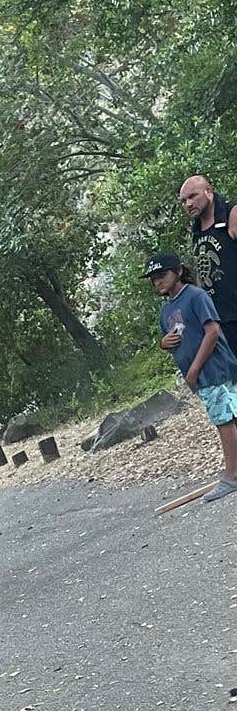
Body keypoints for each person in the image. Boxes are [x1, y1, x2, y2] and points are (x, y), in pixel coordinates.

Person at [146, 251, 237, 501]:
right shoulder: (166, 310)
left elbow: (212, 332)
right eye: (153, 278)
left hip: (213, 369)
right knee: (229, 416)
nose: (158, 281)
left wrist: (195, 369)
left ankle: (232, 475)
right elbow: (176, 337)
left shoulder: (196, 296)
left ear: (178, 271)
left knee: (224, 420)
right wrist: (163, 344)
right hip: (200, 377)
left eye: (162, 274)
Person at [179, 176, 237, 353]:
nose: (188, 204)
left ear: (208, 191)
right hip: (218, 318)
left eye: (193, 196)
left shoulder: (231, 214)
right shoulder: (196, 230)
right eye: (183, 201)